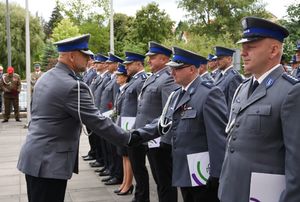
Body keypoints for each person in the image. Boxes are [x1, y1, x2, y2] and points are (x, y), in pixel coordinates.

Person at [17, 34, 132, 202]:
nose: (89, 59)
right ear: (72, 56)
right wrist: (130, 137)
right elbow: (98, 122)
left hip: (36, 158)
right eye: (85, 55)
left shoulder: (46, 77)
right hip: (49, 163)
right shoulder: (72, 86)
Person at [218, 16, 300, 202]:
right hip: (232, 190)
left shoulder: (291, 92)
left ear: (273, 50)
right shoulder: (243, 88)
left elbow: (297, 164)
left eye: (251, 46)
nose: (243, 52)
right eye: (243, 47)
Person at [131, 47, 228, 202]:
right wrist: (137, 134)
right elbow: (163, 121)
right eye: (171, 68)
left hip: (203, 170)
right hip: (184, 167)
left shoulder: (209, 93)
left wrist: (217, 173)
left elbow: (218, 137)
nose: (172, 72)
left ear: (191, 69)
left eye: (177, 69)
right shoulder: (177, 94)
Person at [135, 41, 179, 202]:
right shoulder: (153, 77)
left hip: (159, 140)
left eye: (152, 58)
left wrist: (164, 140)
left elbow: (168, 111)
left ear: (164, 59)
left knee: (164, 182)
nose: (149, 61)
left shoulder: (167, 78)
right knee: (158, 179)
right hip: (149, 137)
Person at [113, 63, 134, 196]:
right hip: (121, 123)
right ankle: (125, 183)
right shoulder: (122, 89)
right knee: (124, 156)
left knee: (128, 155)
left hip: (128, 125)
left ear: (125, 77)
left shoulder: (127, 88)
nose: (116, 78)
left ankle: (128, 184)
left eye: (119, 76)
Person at [214, 46, 243, 111]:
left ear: (229, 59)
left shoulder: (234, 77)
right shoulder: (219, 75)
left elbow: (232, 105)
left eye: (220, 59)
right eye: (216, 59)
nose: (217, 62)